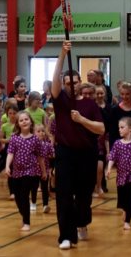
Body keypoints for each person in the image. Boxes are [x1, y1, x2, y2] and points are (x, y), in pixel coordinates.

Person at [51, 40, 105, 250]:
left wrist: (82, 120)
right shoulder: (60, 100)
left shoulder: (89, 104)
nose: (71, 85)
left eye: (74, 82)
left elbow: (100, 129)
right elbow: (55, 80)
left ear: (80, 82)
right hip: (65, 153)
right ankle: (66, 236)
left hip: (86, 154)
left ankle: (82, 221)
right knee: (64, 195)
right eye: (67, 82)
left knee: (83, 196)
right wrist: (62, 54)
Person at [5, 110, 47, 232]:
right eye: (21, 120)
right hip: (17, 172)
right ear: (18, 124)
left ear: (31, 121)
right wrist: (7, 166)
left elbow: (40, 157)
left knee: (24, 195)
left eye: (26, 119)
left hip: (31, 172)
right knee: (18, 198)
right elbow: (10, 153)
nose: (24, 122)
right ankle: (24, 214)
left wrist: (44, 171)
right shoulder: (14, 138)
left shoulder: (35, 139)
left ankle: (26, 222)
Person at [32, 124, 54, 213]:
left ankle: (45, 205)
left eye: (42, 131)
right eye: (38, 131)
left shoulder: (47, 144)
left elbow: (52, 154)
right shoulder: (32, 144)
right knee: (34, 187)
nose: (41, 133)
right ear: (34, 133)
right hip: (34, 170)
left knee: (45, 188)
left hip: (45, 170)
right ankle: (33, 203)